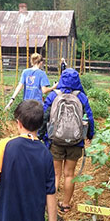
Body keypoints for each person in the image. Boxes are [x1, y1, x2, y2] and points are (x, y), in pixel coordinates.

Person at [42, 68, 94, 213]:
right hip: (76, 141)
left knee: (56, 174)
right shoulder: (82, 97)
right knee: (69, 174)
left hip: (56, 140)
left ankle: (49, 205)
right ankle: (65, 205)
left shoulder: (54, 95)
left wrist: (42, 135)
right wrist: (90, 135)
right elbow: (89, 117)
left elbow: (45, 115)